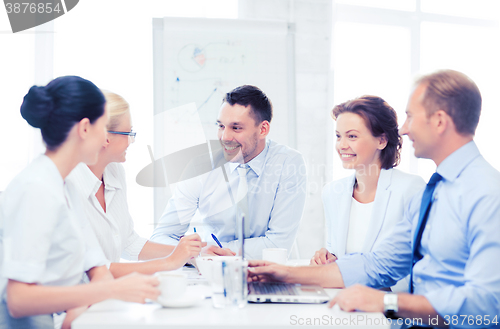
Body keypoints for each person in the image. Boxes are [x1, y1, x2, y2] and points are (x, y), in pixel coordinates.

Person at [248, 70, 500, 328]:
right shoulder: (435, 191)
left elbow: (488, 306)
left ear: (439, 121)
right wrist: (286, 273)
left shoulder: (487, 194)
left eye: (411, 117)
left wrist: (388, 303)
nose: (403, 129)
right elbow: (380, 264)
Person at [0, 76, 159, 329]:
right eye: (103, 126)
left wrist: (82, 306)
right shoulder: (34, 189)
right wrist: (112, 290)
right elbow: (19, 300)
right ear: (85, 129)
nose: (106, 137)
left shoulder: (66, 185)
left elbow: (97, 270)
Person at [150, 85, 307, 260]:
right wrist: (198, 252)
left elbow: (278, 245)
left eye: (236, 128)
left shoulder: (288, 163)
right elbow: (161, 237)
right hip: (213, 272)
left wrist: (212, 250)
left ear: (263, 129)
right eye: (221, 126)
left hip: (269, 270)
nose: (224, 137)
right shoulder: (200, 166)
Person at [66, 91, 205, 277]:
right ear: (105, 137)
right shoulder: (68, 184)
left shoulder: (114, 171)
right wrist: (170, 261)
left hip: (107, 295)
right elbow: (91, 268)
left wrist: (190, 254)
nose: (131, 141)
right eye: (128, 133)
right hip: (78, 298)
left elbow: (127, 243)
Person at [310, 96, 424, 292]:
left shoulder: (411, 189)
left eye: (352, 136)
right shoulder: (332, 193)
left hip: (391, 311)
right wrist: (328, 260)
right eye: (338, 136)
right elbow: (338, 256)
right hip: (345, 303)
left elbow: (419, 267)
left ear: (381, 140)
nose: (342, 145)